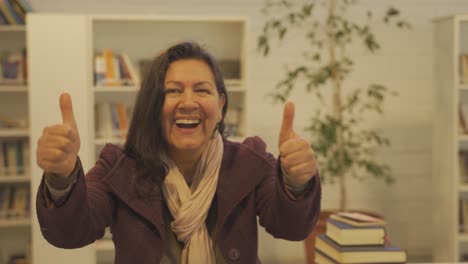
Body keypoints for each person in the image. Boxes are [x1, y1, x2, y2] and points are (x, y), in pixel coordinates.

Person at [35, 41, 321, 264]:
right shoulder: (119, 166)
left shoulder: (249, 161)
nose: (188, 102)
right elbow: (69, 233)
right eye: (172, 91)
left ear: (221, 106)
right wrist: (61, 177)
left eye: (202, 90)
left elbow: (291, 228)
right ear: (153, 106)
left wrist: (296, 182)